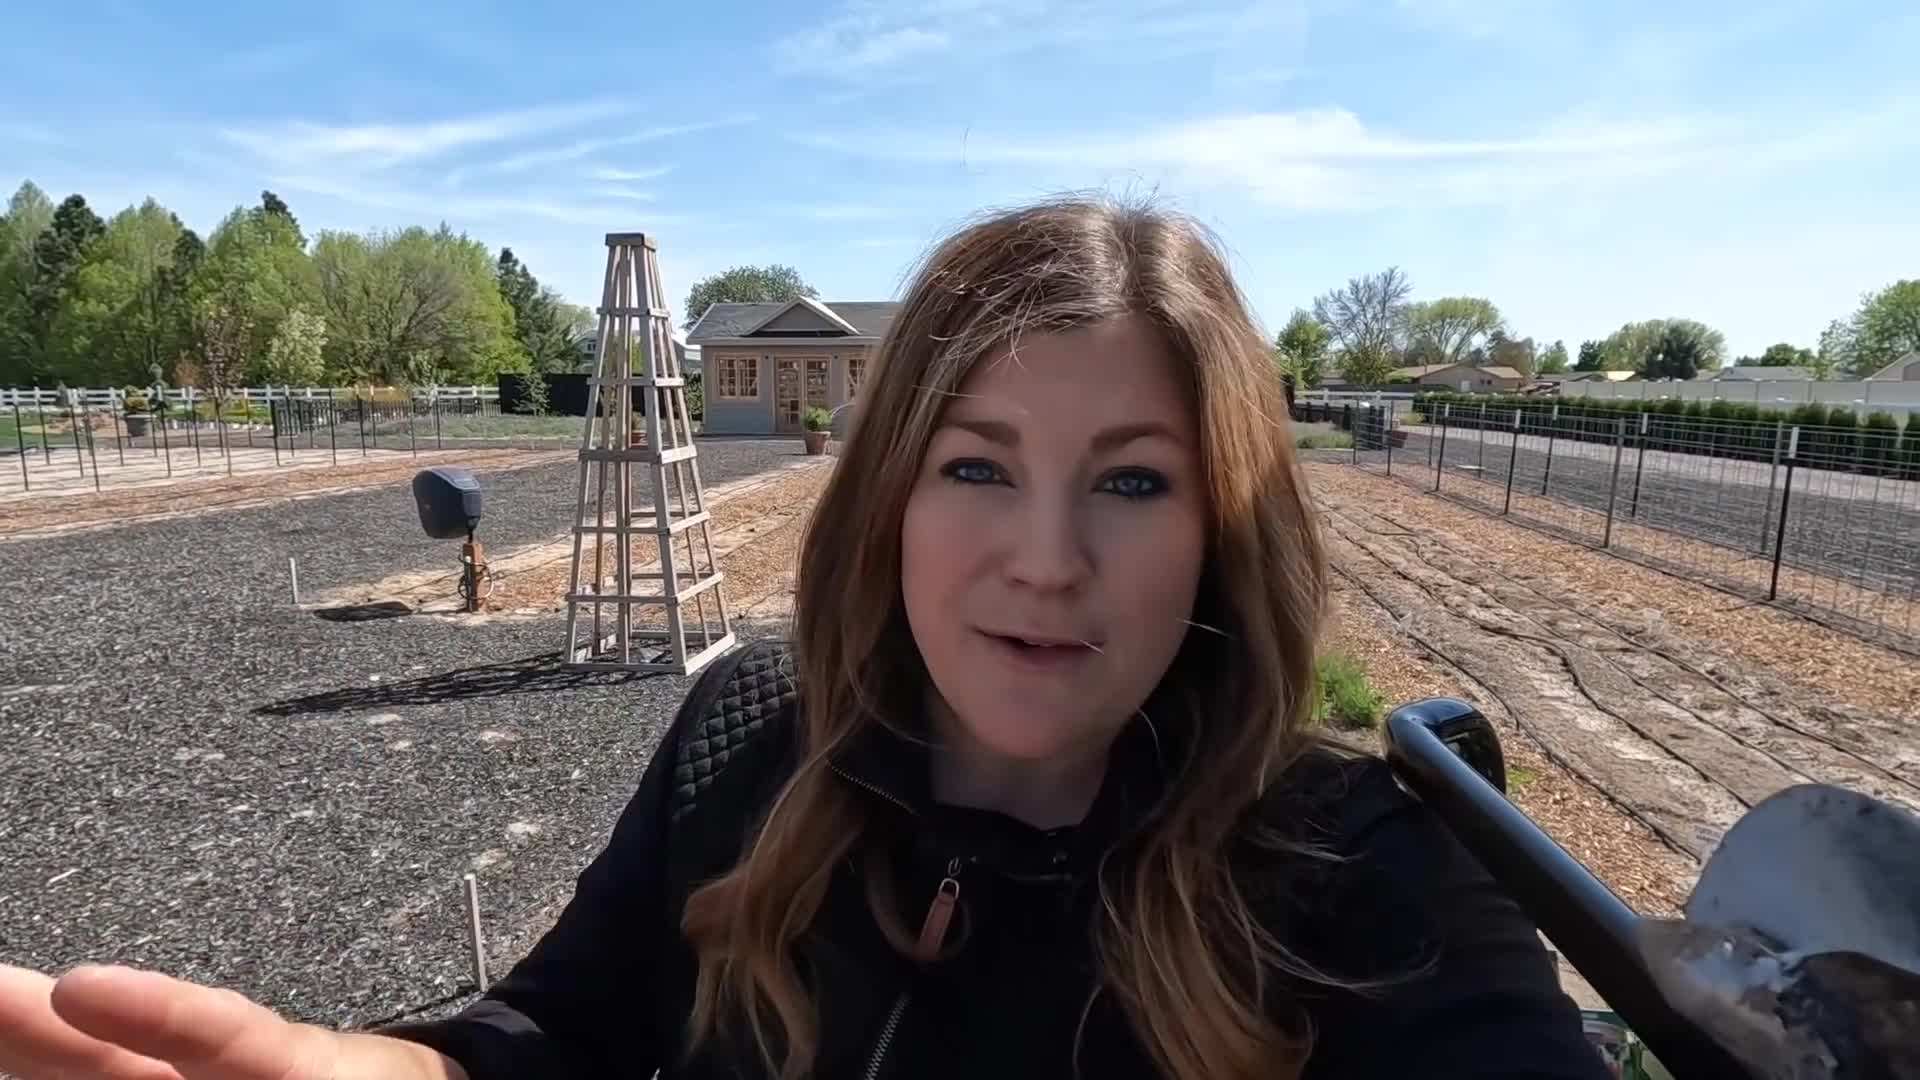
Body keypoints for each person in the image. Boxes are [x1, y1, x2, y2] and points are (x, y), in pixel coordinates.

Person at [0, 195, 1608, 1080]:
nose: (1044, 562)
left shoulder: (1360, 861)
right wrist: (390, 1076)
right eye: (977, 466)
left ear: (1224, 526)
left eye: (1130, 480)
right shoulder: (753, 729)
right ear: (891, 495)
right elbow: (560, 1029)